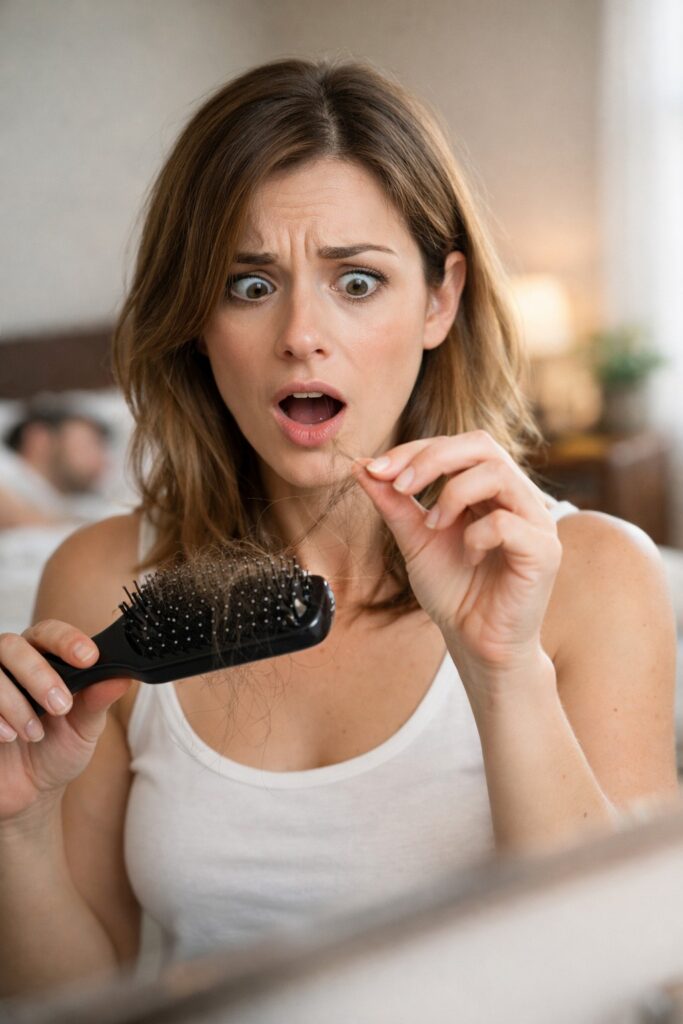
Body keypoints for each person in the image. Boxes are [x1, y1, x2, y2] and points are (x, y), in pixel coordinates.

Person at [0, 57, 679, 997]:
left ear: (439, 299)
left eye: (356, 282)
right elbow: (82, 993)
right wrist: (19, 829)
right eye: (249, 286)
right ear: (195, 317)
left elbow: (634, 983)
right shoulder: (99, 580)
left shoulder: (596, 575)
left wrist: (501, 670)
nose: (300, 335)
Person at [0, 406, 111, 529]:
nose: (103, 462)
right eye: (89, 445)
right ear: (39, 439)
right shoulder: (7, 470)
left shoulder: (54, 504)